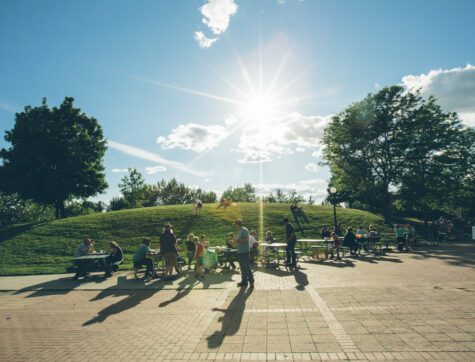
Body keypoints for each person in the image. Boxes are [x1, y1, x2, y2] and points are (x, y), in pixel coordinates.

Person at [234, 219, 254, 288]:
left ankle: (251, 281)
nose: (235, 226)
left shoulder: (245, 230)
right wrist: (234, 242)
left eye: (235, 224)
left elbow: (246, 239)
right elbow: (239, 241)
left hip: (245, 252)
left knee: (247, 267)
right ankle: (244, 281)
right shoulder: (239, 231)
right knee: (242, 267)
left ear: (238, 224)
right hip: (240, 251)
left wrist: (238, 240)